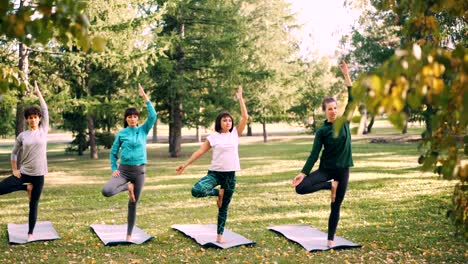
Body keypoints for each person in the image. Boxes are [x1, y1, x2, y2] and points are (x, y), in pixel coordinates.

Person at [292, 61, 355, 248]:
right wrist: (303, 173)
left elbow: (353, 99)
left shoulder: (344, 122)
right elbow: (314, 154)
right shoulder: (321, 131)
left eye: (335, 108)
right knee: (300, 188)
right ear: (325, 111)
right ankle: (330, 186)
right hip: (326, 171)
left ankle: (330, 240)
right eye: (330, 109)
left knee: (336, 206)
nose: (334, 111)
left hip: (343, 170)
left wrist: (346, 74)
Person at [176, 85, 248, 243]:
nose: (228, 122)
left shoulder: (235, 133)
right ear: (219, 122)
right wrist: (185, 165)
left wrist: (240, 99)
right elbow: (200, 152)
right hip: (214, 174)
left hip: (230, 176)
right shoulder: (213, 137)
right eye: (225, 120)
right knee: (197, 190)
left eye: (230, 120)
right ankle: (218, 193)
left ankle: (219, 236)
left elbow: (245, 117)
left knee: (223, 208)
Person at [101, 84, 157, 242]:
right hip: (123, 171)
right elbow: (113, 153)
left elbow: (153, 116)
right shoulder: (122, 133)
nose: (132, 119)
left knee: (133, 204)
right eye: (129, 117)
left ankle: (129, 235)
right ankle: (128, 187)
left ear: (137, 118)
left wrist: (145, 97)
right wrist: (113, 168)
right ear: (126, 119)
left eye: (135, 116)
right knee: (106, 190)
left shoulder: (143, 130)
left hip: (139, 172)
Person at [0, 81, 48, 241]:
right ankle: (24, 188)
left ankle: (30, 234)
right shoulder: (22, 136)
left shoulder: (44, 130)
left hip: (39, 175)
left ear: (39, 119)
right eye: (30, 118)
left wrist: (38, 92)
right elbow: (13, 154)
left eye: (35, 117)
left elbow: (45, 109)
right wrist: (14, 169)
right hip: (24, 173)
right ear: (27, 120)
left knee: (33, 204)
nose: (33, 120)